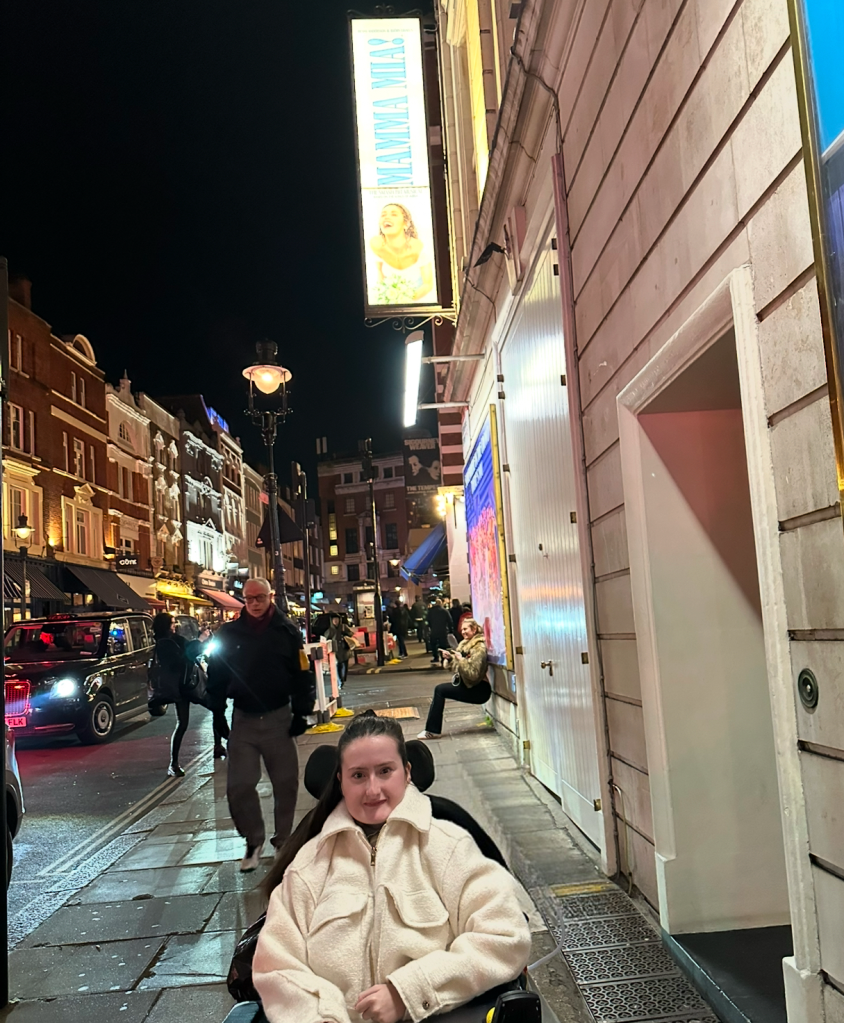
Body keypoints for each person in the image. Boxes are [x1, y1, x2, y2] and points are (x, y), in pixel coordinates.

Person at [253, 712, 531, 1023]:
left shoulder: (448, 847)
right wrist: (319, 1015)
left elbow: (506, 935)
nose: (373, 790)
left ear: (407, 772)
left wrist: (409, 992)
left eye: (385, 771)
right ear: (341, 781)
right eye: (358, 775)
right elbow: (276, 965)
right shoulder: (309, 865)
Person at [206, 578, 313, 872]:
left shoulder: (287, 631)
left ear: (270, 596)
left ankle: (283, 841)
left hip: (279, 716)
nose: (254, 603)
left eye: (260, 598)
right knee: (239, 785)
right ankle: (253, 841)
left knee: (286, 784)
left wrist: (302, 712)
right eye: (249, 598)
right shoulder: (229, 633)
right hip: (244, 719)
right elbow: (216, 674)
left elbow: (302, 672)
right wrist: (217, 713)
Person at [151, 612, 218, 777]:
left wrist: (202, 638)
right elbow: (184, 657)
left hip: (185, 685)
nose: (175, 626)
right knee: (188, 720)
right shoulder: (165, 643)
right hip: (185, 686)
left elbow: (189, 649)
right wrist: (200, 640)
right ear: (166, 626)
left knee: (186, 722)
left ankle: (217, 747)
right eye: (172, 623)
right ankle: (174, 763)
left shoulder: (170, 640)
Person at [418, 619, 491, 740]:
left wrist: (461, 659)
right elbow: (458, 668)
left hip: (479, 689)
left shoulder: (479, 648)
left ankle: (432, 730)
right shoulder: (465, 645)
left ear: (474, 630)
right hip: (469, 685)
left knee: (440, 690)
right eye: (462, 629)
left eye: (466, 629)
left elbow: (473, 674)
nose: (463, 632)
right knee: (440, 690)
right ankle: (432, 730)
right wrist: (450, 659)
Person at [369, 203, 435, 305]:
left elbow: (428, 284)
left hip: (421, 303)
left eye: (394, 214)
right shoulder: (376, 246)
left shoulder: (420, 249)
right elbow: (379, 279)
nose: (386, 217)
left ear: (406, 224)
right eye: (383, 215)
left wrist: (405, 299)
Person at [325, 612, 354, 686]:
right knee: (338, 665)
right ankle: (340, 680)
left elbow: (351, 634)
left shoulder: (344, 627)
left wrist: (346, 634)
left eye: (337, 619)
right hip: (336, 650)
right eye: (334, 620)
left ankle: (343, 679)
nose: (336, 621)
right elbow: (326, 640)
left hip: (344, 649)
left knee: (345, 665)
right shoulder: (330, 630)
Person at [427, 598, 454, 665]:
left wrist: (430, 627)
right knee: (443, 645)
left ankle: (436, 657)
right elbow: (450, 621)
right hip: (443, 630)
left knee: (433, 644)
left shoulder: (431, 611)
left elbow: (428, 620)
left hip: (434, 630)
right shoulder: (445, 611)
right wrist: (450, 630)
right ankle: (443, 658)